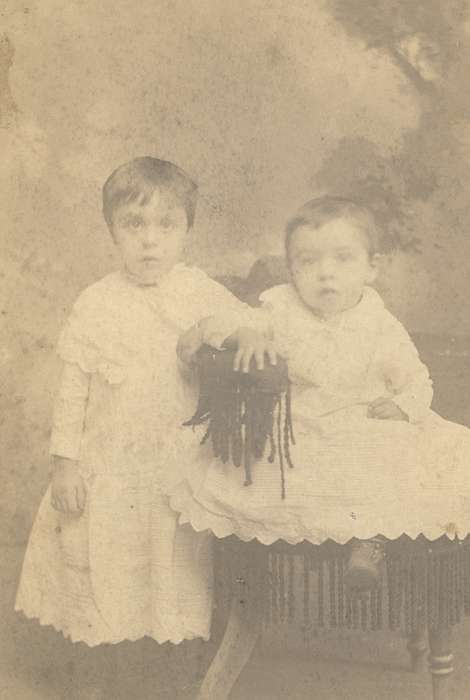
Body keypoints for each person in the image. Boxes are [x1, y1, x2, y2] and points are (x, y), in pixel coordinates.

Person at [14, 156, 271, 699]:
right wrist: (65, 463)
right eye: (134, 225)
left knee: (167, 570)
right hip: (106, 465)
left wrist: (246, 331)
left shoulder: (197, 291)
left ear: (187, 231)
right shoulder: (96, 301)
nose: (150, 242)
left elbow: (253, 319)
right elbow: (74, 390)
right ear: (112, 230)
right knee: (100, 565)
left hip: (171, 469)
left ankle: (164, 677)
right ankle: (96, 673)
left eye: (166, 226)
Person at [172, 195, 470, 592]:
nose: (325, 273)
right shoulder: (280, 309)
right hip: (303, 427)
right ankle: (303, 549)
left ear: (371, 268)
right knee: (299, 465)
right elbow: (216, 324)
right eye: (308, 262)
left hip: (365, 423)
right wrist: (245, 334)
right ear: (292, 269)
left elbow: (417, 381)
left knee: (408, 450)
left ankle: (370, 541)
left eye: (343, 258)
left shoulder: (380, 324)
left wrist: (402, 406)